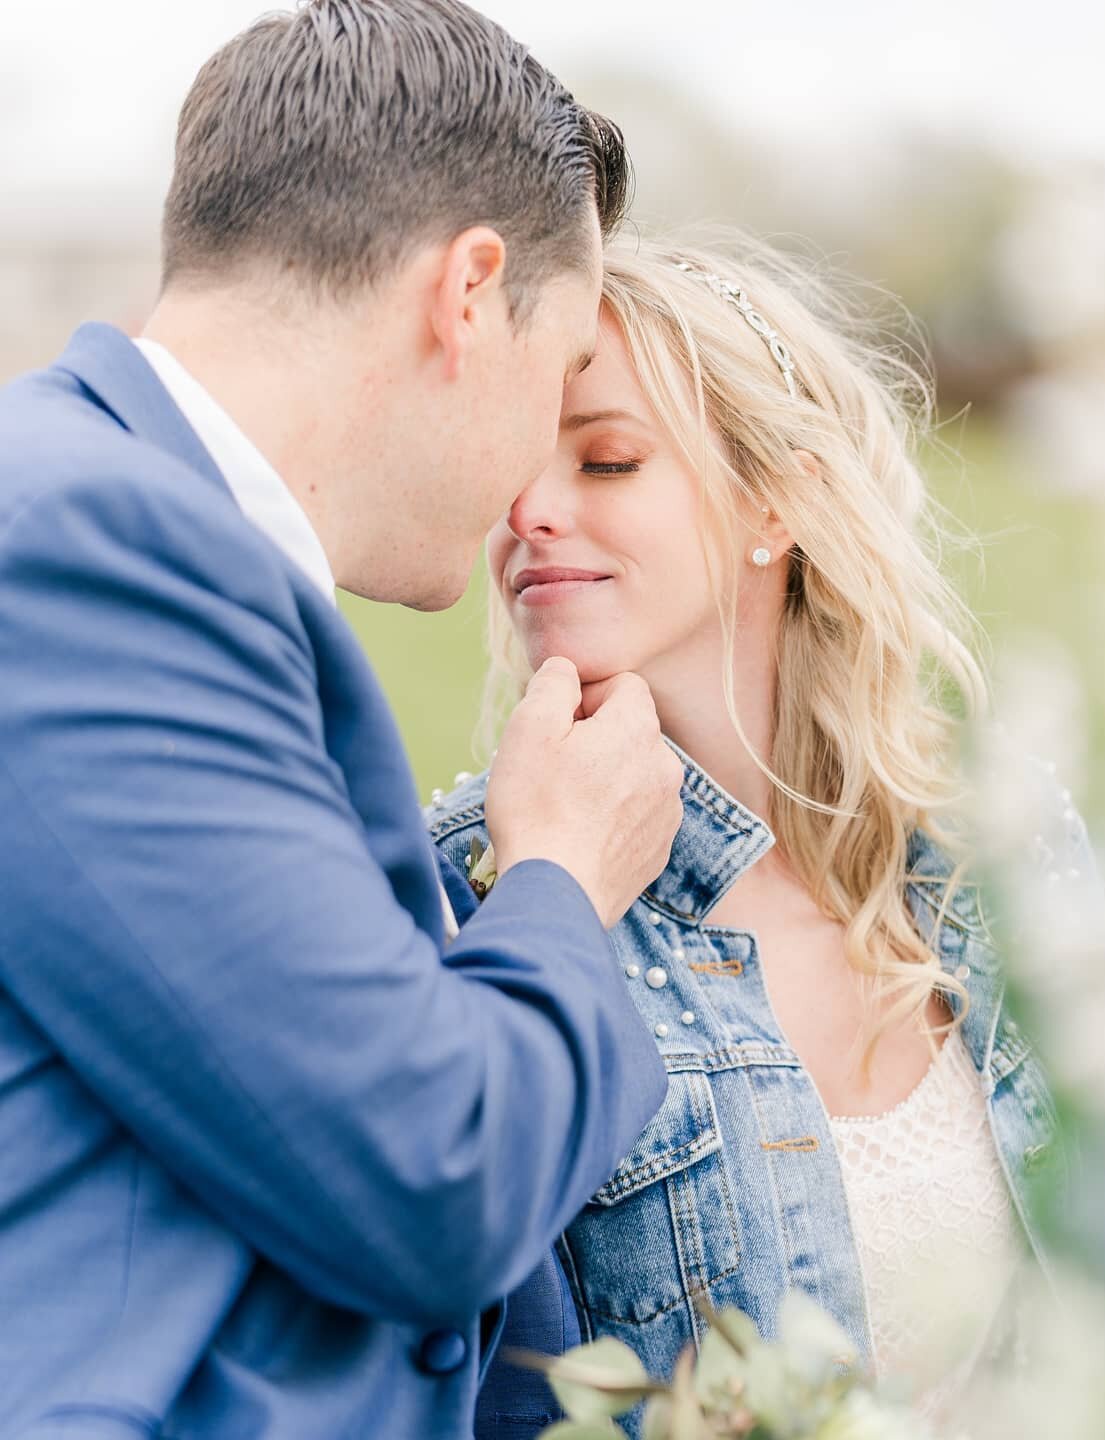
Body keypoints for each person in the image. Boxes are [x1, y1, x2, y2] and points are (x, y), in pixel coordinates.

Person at [0, 4, 685, 1437]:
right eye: (560, 376)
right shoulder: (79, 542)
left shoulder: (147, 539)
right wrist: (559, 874)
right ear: (469, 293)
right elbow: (431, 1171)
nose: (527, 494)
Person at [429, 234, 1100, 1437]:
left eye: (609, 458)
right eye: (515, 460)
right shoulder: (465, 893)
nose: (527, 509)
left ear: (775, 501)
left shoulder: (999, 840)